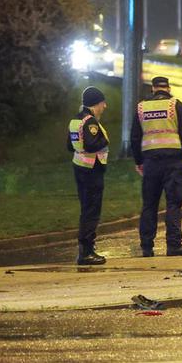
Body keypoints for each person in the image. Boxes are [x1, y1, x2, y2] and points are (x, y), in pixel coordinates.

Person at [131, 76, 182, 257]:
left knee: (149, 204)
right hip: (172, 162)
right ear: (168, 88)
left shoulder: (141, 107)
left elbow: (135, 138)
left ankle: (146, 246)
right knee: (173, 204)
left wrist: (138, 161)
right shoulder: (175, 105)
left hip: (151, 163)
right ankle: (174, 245)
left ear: (153, 89)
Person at [67, 86, 110, 266]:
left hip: (80, 168)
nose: (105, 106)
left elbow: (70, 147)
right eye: (102, 103)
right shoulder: (90, 121)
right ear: (95, 104)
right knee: (91, 211)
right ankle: (86, 252)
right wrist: (105, 140)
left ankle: (85, 250)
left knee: (86, 209)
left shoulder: (74, 121)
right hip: (92, 171)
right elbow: (92, 145)